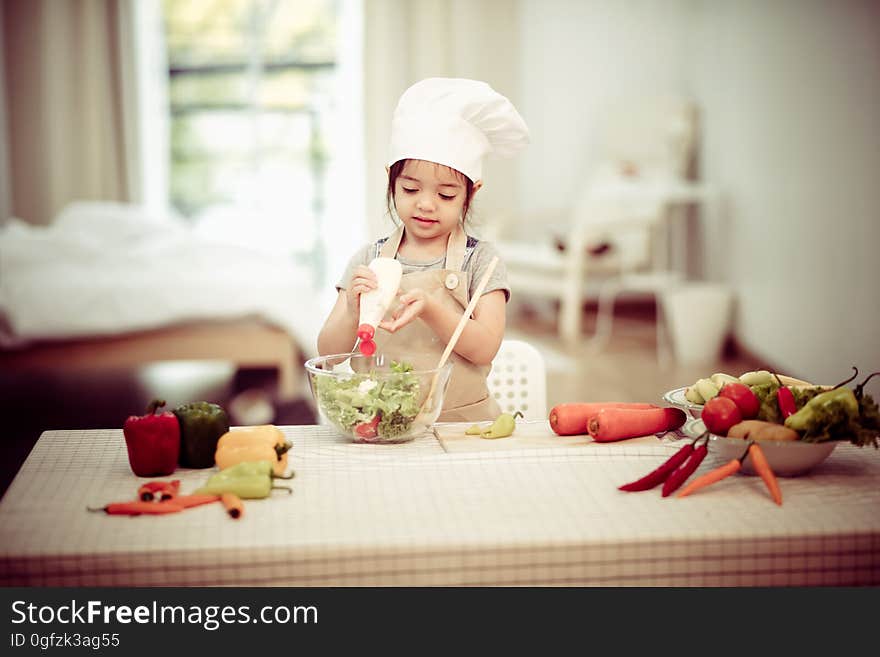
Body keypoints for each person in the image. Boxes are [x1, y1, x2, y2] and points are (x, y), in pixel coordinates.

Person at [317, 77, 529, 421]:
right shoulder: (368, 260)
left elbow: (485, 348)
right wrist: (353, 310)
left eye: (446, 195)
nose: (426, 205)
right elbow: (329, 352)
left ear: (470, 193)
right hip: (381, 425)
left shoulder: (482, 262)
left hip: (462, 427)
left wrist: (432, 309)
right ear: (391, 181)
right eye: (411, 189)